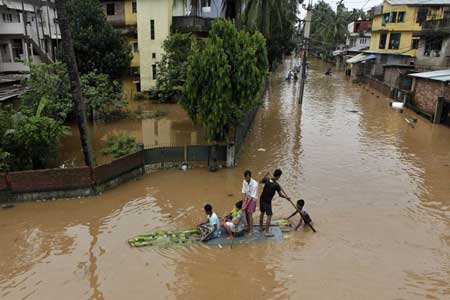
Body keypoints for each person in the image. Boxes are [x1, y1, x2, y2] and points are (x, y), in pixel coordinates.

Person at [259, 169, 290, 237]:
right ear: (278, 176)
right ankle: (267, 232)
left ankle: (261, 228)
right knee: (269, 216)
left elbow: (260, 181)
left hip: (261, 199)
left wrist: (265, 174)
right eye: (279, 176)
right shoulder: (276, 185)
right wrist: (286, 198)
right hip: (267, 202)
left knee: (262, 213)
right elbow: (280, 195)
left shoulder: (267, 179)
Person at [241, 170, 258, 236]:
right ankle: (248, 226)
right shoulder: (244, 181)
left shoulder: (255, 184)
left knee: (249, 214)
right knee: (245, 213)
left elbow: (251, 197)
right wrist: (243, 203)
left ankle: (251, 230)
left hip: (253, 199)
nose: (246, 179)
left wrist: (246, 205)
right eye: (245, 178)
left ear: (250, 177)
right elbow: (243, 192)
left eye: (247, 178)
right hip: (248, 197)